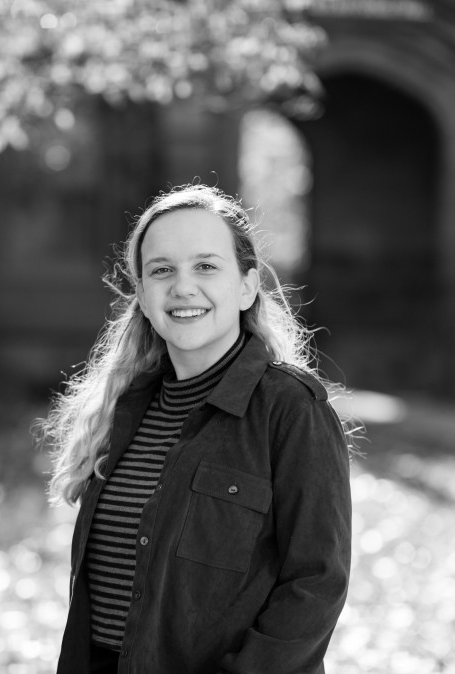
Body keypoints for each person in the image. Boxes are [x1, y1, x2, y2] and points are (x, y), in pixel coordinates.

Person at [36, 184, 352, 674]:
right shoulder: (127, 409)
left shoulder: (290, 409)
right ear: (140, 294)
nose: (183, 287)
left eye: (206, 266)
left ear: (246, 286)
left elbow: (315, 584)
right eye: (162, 270)